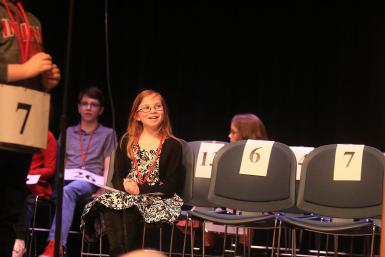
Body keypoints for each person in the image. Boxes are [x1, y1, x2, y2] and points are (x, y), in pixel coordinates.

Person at [81, 89, 185, 257]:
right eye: (147, 107)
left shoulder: (173, 146)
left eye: (158, 107)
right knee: (109, 203)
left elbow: (171, 186)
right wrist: (125, 186)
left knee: (130, 206)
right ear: (137, 115)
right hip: (127, 195)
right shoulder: (127, 141)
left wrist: (139, 190)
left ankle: (127, 254)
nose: (153, 111)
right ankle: (120, 253)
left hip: (158, 198)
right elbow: (116, 177)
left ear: (164, 112)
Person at [0, 1, 60, 256]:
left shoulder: (32, 19)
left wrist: (45, 79)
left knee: (8, 212)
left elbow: (33, 71)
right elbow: (23, 68)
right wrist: (24, 70)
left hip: (19, 131)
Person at [39, 87, 117, 257]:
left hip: (89, 183)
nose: (88, 108)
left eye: (93, 104)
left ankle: (55, 245)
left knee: (69, 191)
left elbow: (108, 164)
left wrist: (104, 189)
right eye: (85, 104)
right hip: (66, 180)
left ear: (101, 109)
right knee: (64, 190)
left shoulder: (108, 134)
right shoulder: (68, 132)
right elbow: (62, 163)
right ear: (78, 107)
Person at [12, 131, 57, 257]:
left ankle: (19, 242)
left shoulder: (47, 136)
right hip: (15, 181)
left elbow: (50, 169)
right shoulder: (14, 133)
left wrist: (30, 173)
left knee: (21, 192)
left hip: (35, 185)